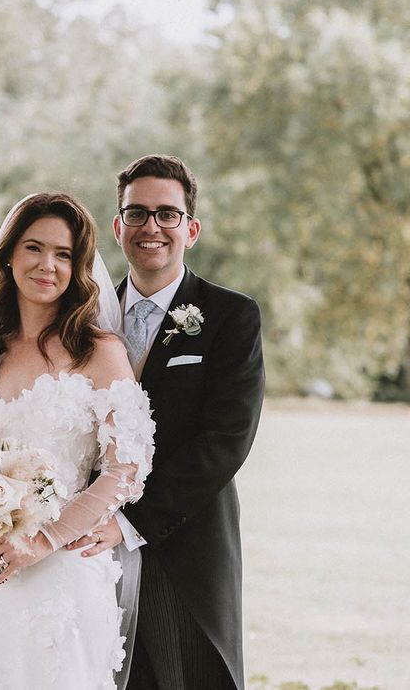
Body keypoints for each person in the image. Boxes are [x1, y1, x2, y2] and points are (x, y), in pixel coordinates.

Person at [0, 193, 155, 690]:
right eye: (34, 248)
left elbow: (123, 469)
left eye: (64, 254)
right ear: (8, 255)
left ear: (79, 265)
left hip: (59, 580)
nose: (48, 265)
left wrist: (42, 540)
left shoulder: (99, 352)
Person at [68, 155, 265, 689]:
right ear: (118, 227)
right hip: (83, 553)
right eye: (137, 213)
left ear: (191, 229)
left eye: (167, 214)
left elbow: (225, 441)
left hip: (185, 552)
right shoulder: (81, 316)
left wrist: (130, 525)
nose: (150, 227)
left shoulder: (231, 317)